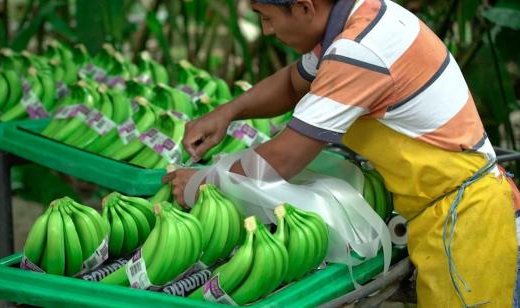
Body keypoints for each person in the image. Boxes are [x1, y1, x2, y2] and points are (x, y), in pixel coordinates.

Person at [162, 0, 520, 306]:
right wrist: (226, 112)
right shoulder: (360, 17)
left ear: (304, 7)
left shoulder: (359, 50)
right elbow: (292, 84)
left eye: (267, 17)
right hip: (441, 209)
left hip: (468, 224)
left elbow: (285, 158)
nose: (266, 30)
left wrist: (203, 183)